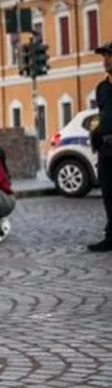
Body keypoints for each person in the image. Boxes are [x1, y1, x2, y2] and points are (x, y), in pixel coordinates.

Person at [89, 42, 112, 252]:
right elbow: (102, 115)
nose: (105, 60)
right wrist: (95, 135)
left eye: (109, 56)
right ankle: (111, 235)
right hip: (106, 148)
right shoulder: (102, 87)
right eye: (104, 56)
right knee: (108, 193)